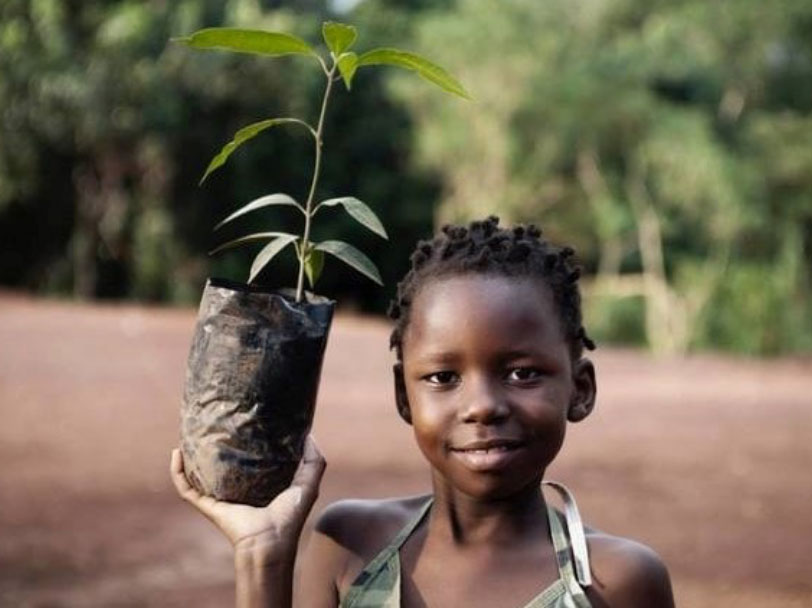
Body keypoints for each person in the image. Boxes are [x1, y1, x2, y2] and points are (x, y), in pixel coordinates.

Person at [171, 216, 675, 607]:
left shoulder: (616, 581)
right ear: (403, 396)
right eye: (442, 378)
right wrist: (263, 556)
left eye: (521, 373)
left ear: (580, 389)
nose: (482, 406)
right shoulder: (349, 547)